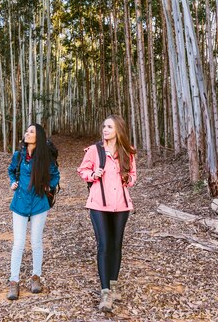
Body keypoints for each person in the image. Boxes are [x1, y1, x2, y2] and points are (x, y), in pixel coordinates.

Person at [77, 114, 137, 312]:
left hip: (121, 205)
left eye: (109, 127)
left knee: (116, 244)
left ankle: (114, 284)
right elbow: (82, 170)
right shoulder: (95, 150)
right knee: (103, 244)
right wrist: (92, 175)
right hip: (98, 204)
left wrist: (127, 178)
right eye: (104, 126)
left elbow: (133, 177)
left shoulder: (127, 152)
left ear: (118, 130)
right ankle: (105, 292)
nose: (105, 130)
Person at [6, 124, 60, 300]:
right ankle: (14, 281)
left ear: (39, 136)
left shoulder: (45, 158)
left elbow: (55, 175)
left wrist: (49, 185)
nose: (27, 134)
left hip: (38, 203)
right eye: (27, 131)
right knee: (18, 243)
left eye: (32, 132)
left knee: (36, 242)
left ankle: (36, 277)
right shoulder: (19, 155)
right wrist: (13, 182)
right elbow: (11, 171)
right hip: (20, 203)